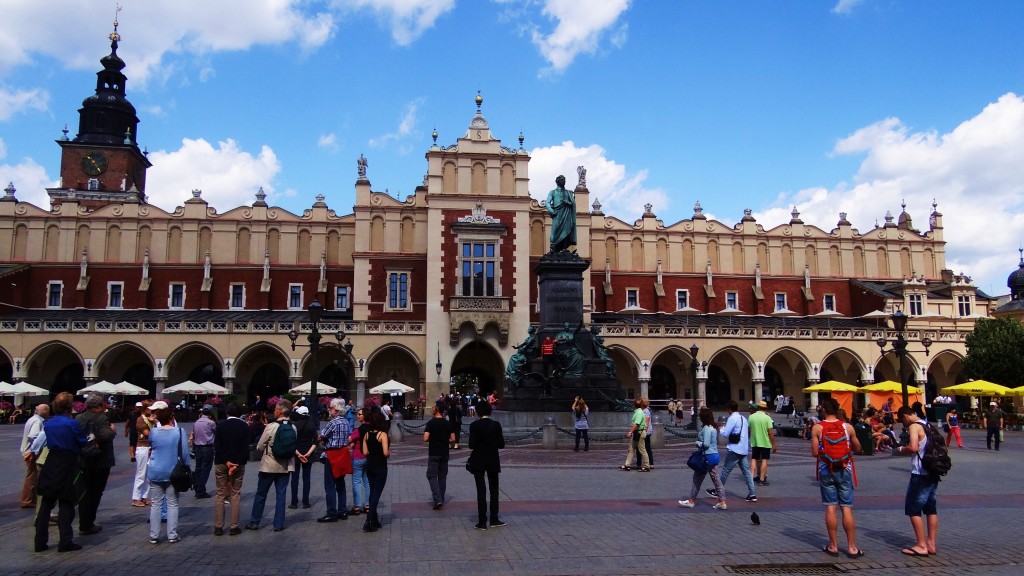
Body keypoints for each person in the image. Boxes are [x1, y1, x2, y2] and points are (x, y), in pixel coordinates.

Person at [34, 393, 89, 553]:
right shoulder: (71, 423)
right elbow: (82, 441)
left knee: (46, 502)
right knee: (66, 502)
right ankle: (65, 540)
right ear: (69, 407)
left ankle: (40, 541)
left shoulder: (48, 423)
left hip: (51, 460)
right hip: (67, 461)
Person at [811, 398, 863, 558]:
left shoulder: (817, 428)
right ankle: (852, 547)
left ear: (824, 411)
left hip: (826, 470)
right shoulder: (847, 427)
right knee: (846, 507)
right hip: (845, 469)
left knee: (830, 507)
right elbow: (859, 448)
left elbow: (814, 453)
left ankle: (833, 546)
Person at [245, 398, 295, 532]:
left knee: (261, 494)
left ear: (279, 411)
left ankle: (255, 521)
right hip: (285, 466)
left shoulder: (271, 426)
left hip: (269, 465)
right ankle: (278, 524)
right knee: (281, 495)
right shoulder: (293, 427)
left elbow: (260, 446)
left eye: (275, 409)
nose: (274, 411)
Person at [896, 406, 939, 557]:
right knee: (931, 509)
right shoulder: (927, 424)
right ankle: (931, 543)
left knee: (913, 509)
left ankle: (921, 545)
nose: (903, 423)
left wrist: (901, 449)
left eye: (902, 420)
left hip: (920, 473)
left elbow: (914, 447)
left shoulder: (914, 426)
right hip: (933, 471)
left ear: (906, 417)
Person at [146, 400, 189, 544]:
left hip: (155, 470)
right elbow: (184, 454)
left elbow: (152, 446)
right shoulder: (179, 432)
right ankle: (172, 534)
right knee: (172, 504)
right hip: (173, 472)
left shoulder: (153, 432)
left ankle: (154, 535)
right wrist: (187, 468)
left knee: (156, 504)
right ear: (171, 417)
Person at [75, 393, 117, 536]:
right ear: (99, 406)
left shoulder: (79, 418)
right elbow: (106, 435)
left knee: (84, 492)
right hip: (100, 461)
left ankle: (84, 522)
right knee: (95, 492)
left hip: (83, 460)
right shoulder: (102, 418)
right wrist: (112, 430)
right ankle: (87, 524)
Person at [707, 400, 757, 502]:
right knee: (747, 472)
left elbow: (725, 434)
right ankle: (752, 494)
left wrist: (721, 429)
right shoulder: (743, 418)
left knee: (726, 470)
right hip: (743, 449)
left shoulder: (732, 418)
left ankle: (717, 491)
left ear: (729, 409)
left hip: (734, 449)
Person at [678, 407, 726, 510]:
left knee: (697, 479)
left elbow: (706, 444)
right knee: (717, 480)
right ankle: (722, 501)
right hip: (714, 456)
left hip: (706, 458)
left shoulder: (707, 428)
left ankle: (691, 501)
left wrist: (697, 443)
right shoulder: (713, 427)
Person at [213, 402, 249, 536]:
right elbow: (245, 448)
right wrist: (236, 464)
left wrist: (227, 462)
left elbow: (217, 446)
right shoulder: (244, 426)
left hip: (222, 463)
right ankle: (234, 526)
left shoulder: (220, 426)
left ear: (227, 413)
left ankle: (218, 526)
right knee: (235, 494)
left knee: (220, 494)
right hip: (238, 464)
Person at [468, 400, 505, 530]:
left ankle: (482, 521)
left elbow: (471, 445)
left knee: (481, 491)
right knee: (494, 490)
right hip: (493, 459)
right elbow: (501, 444)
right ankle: (494, 519)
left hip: (478, 460)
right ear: (490, 411)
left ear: (477, 412)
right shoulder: (496, 425)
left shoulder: (474, 425)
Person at [317, 398, 351, 522]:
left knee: (330, 484)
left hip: (332, 455)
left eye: (330, 408)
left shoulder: (333, 422)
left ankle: (331, 512)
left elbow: (321, 436)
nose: (329, 410)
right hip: (343, 453)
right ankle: (342, 511)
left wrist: (321, 438)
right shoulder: (346, 422)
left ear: (336, 410)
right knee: (340, 484)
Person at [362, 404, 390, 532]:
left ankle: (375, 519)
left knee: (372, 492)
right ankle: (369, 520)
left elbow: (365, 452)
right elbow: (385, 453)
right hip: (380, 466)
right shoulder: (383, 435)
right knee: (376, 494)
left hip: (369, 465)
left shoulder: (367, 435)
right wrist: (388, 453)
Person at [423, 402, 454, 509]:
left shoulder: (431, 423)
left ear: (437, 409)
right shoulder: (448, 423)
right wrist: (445, 439)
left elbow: (425, 438)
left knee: (431, 475)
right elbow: (453, 439)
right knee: (442, 476)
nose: (432, 408)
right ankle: (441, 498)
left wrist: (434, 437)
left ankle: (437, 499)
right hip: (445, 452)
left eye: (434, 407)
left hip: (434, 452)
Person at [20, 404, 49, 508]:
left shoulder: (32, 419)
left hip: (27, 450)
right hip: (32, 452)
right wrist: (34, 451)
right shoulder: (38, 421)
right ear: (45, 411)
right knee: (32, 477)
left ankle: (30, 499)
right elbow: (34, 436)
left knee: (32, 476)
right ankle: (27, 500)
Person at [289, 405, 317, 510]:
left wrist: (298, 454)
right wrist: (308, 453)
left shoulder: (294, 425)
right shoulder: (312, 425)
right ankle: (306, 502)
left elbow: (291, 442)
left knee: (294, 479)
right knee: (306, 479)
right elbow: (315, 441)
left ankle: (294, 502)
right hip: (308, 454)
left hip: (296, 454)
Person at [190, 404, 217, 499]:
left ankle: (197, 487)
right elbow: (216, 433)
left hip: (198, 447)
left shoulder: (197, 422)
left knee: (198, 468)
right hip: (208, 447)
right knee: (205, 469)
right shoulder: (211, 423)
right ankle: (201, 490)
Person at [132, 401, 155, 507]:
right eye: (150, 408)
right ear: (145, 409)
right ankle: (136, 498)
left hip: (150, 448)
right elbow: (147, 433)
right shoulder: (141, 419)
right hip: (142, 448)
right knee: (141, 474)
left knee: (148, 475)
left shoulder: (150, 419)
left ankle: (144, 496)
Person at [749, 400, 777, 486]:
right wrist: (774, 444)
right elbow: (770, 433)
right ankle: (762, 479)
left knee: (754, 459)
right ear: (765, 408)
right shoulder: (767, 418)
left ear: (758, 407)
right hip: (765, 442)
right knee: (764, 459)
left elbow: (750, 430)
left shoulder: (751, 417)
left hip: (755, 441)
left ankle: (750, 477)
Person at [545, 175, 576, 252]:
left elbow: (573, 204)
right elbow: (547, 203)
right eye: (561, 180)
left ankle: (564, 248)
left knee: (567, 230)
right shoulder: (553, 192)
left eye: (564, 180)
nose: (563, 181)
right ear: (557, 182)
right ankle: (553, 246)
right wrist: (551, 211)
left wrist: (567, 202)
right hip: (557, 214)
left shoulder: (568, 192)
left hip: (567, 214)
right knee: (555, 231)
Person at [349, 406, 370, 516]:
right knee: (367, 482)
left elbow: (349, 439)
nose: (357, 416)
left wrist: (353, 442)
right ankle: (367, 505)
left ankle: (357, 506)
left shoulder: (359, 430)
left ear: (364, 416)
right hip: (368, 458)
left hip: (358, 457)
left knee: (356, 482)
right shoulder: (371, 428)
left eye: (360, 414)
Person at [619, 398, 650, 472]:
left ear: (634, 406)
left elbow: (636, 424)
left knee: (642, 450)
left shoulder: (639, 412)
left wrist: (630, 432)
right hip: (637, 433)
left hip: (639, 432)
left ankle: (646, 466)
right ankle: (627, 465)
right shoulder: (637, 412)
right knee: (631, 449)